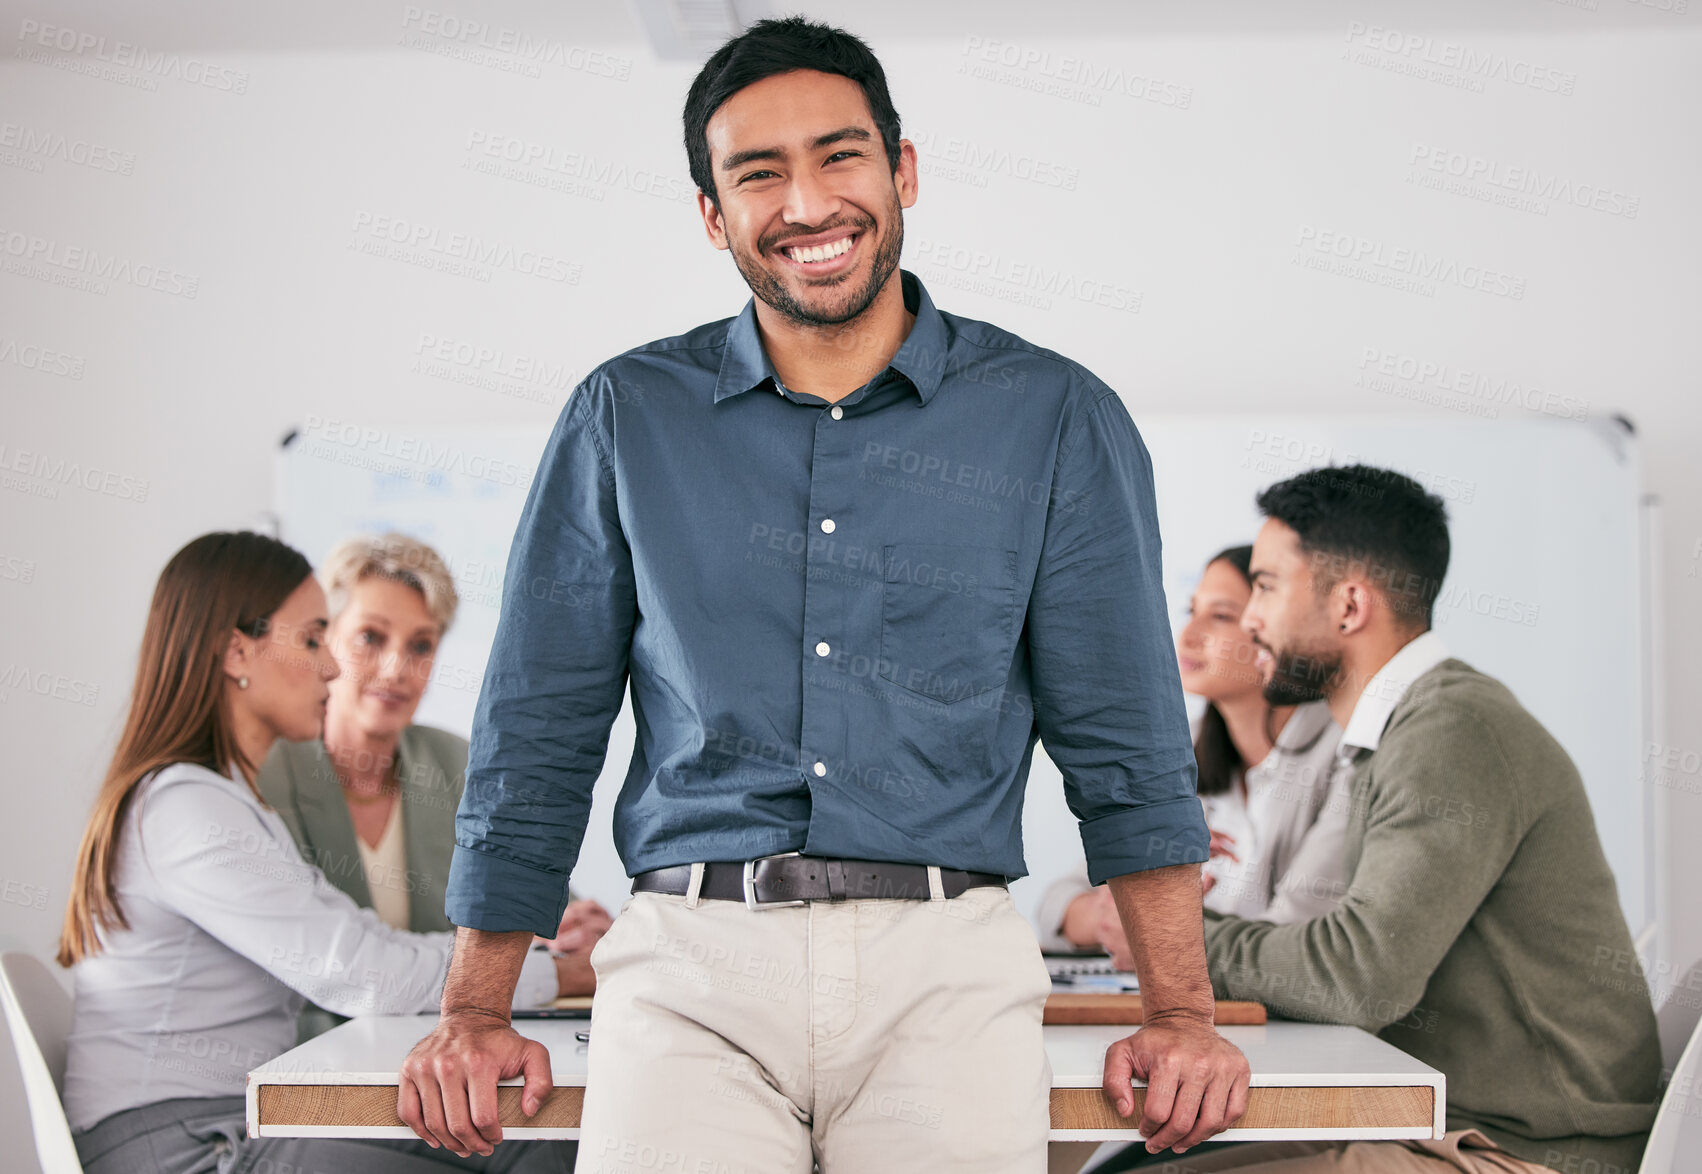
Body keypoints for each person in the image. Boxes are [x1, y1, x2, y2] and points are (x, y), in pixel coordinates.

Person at [396, 16, 1248, 1171]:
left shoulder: (1053, 418)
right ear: (713, 216)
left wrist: (1181, 1015)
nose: (806, 203)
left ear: (901, 170)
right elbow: (538, 727)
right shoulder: (623, 417)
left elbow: (1125, 743)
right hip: (691, 962)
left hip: (945, 969)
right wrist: (475, 1010)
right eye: (758, 174)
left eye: (839, 156)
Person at [1099, 465, 1663, 1173]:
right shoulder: (1400, 732)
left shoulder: (1453, 730)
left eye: (1267, 586)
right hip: (1438, 1120)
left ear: (1350, 605)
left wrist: (1173, 937)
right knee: (1128, 1165)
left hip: (1524, 1151)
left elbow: (1357, 976)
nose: (1249, 618)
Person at [57, 531, 578, 1174]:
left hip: (239, 1117)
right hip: (184, 1143)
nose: (330, 666)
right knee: (511, 1141)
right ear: (235, 651)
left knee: (533, 1135)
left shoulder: (224, 800)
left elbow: (354, 941)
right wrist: (562, 974)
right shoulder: (185, 809)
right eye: (311, 640)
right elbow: (360, 969)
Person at [257, 533, 607, 1041]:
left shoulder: (458, 763)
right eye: (371, 638)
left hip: (442, 1054)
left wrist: (579, 929)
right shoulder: (269, 774)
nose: (398, 669)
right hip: (309, 1066)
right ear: (325, 638)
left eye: (421, 645)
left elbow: (542, 911)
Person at [1037, 545, 1346, 962]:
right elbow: (1057, 905)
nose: (1186, 636)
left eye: (1220, 616)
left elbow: (1300, 938)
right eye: (1191, 610)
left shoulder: (1341, 753)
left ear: (1272, 627)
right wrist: (1116, 914)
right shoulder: (1179, 747)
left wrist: (1157, 924)